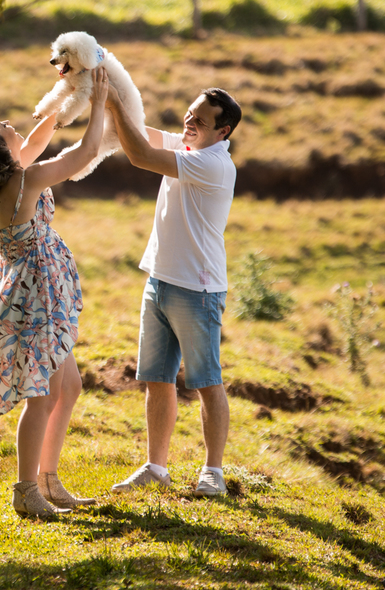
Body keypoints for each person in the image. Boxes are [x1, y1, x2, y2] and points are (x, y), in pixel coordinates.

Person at [0, 68, 109, 518]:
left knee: (69, 386)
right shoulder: (27, 182)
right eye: (7, 130)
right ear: (3, 152)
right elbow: (86, 153)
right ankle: (26, 490)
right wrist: (97, 104)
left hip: (26, 295)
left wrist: (60, 109)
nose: (15, 127)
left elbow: (33, 146)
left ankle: (46, 478)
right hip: (38, 299)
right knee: (43, 395)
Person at [105, 87, 242, 498]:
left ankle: (212, 473)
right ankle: (156, 467)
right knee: (157, 379)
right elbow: (140, 136)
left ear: (223, 131)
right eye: (189, 115)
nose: (189, 124)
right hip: (160, 280)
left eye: (200, 121)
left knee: (206, 382)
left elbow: (142, 156)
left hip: (197, 289)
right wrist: (98, 105)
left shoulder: (212, 163)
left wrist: (111, 102)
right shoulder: (188, 144)